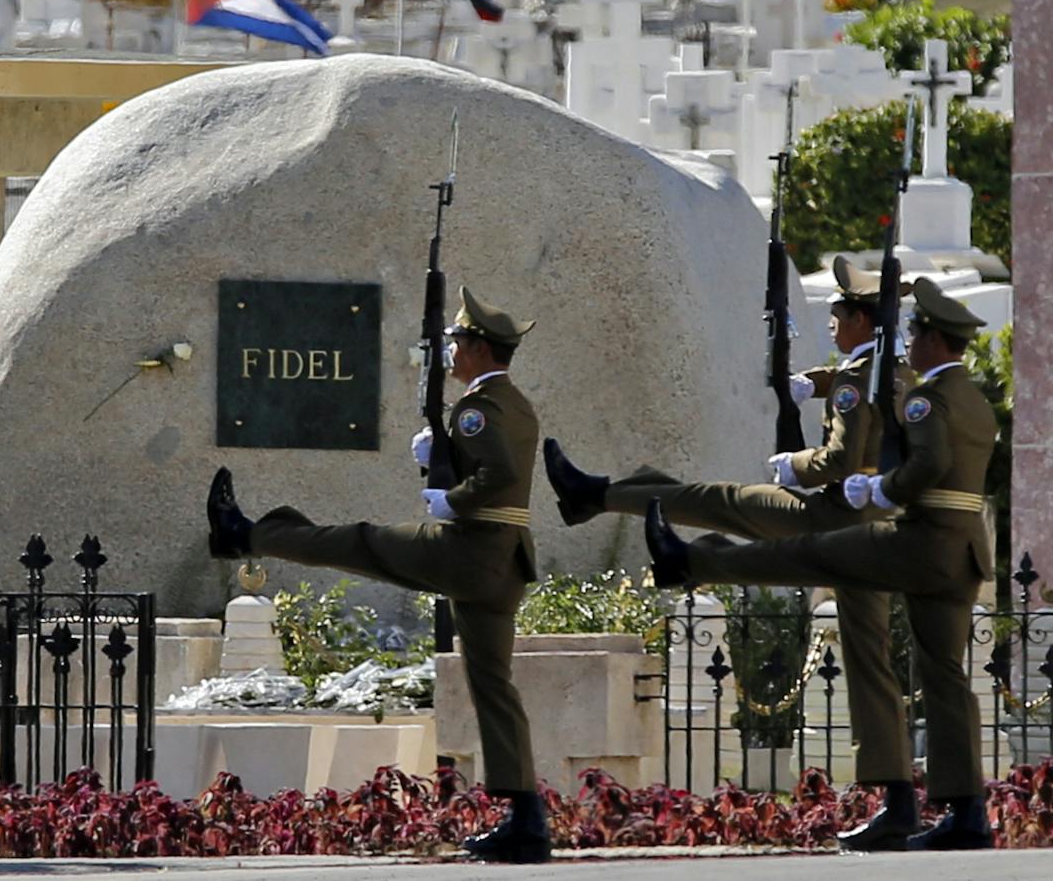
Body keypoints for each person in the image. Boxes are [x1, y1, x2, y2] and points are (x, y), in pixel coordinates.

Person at [545, 255, 920, 850]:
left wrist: (793, 466)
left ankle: (598, 496)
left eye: (838, 313)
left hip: (828, 518)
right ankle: (899, 800)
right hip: (875, 530)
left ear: (861, 320)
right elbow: (866, 397)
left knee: (717, 500)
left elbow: (841, 460)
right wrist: (814, 382)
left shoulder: (858, 381)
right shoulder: (896, 371)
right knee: (870, 664)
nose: (830, 321)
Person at [626, 279, 994, 852]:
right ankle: (968, 813)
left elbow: (926, 466)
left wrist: (875, 486)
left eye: (918, 333)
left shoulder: (929, 399)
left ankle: (691, 560)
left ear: (936, 340)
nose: (911, 341)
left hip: (921, 542)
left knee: (811, 553)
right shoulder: (972, 398)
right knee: (945, 678)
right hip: (965, 549)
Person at [205, 287, 549, 864]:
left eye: (458, 340)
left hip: (464, 552)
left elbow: (497, 474)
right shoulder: (516, 404)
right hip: (505, 564)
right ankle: (527, 820)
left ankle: (244, 535)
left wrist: (450, 500)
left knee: (356, 541)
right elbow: (502, 471)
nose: (451, 349)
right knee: (494, 687)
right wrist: (434, 458)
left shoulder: (474, 409)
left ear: (482, 349)